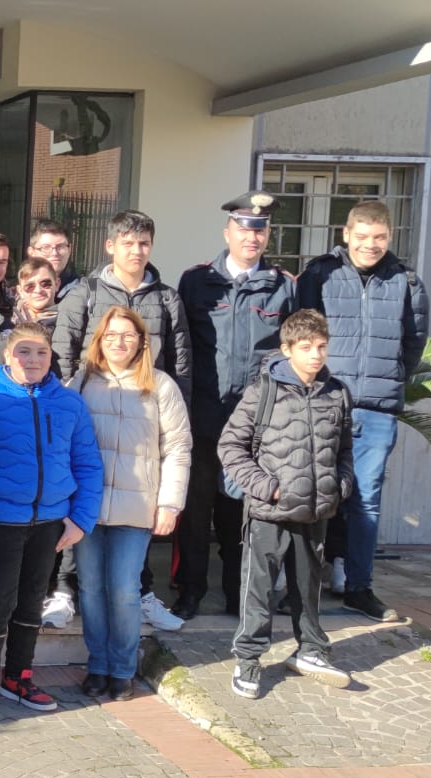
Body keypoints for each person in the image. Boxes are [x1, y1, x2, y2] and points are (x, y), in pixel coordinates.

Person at [51, 211, 190, 627]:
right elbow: (62, 354)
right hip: (91, 413)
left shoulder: (166, 297)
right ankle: (64, 590)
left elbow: (181, 364)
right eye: (128, 243)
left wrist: (178, 413)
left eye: (144, 243)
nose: (137, 250)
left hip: (142, 418)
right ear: (110, 246)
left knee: (135, 506)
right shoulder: (85, 293)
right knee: (83, 506)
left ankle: (142, 594)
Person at [0, 321, 100, 720]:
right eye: (24, 352)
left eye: (41, 352)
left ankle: (18, 676)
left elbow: (88, 463)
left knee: (31, 603)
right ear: (7, 356)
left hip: (51, 523)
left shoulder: (69, 403)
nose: (33, 359)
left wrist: (80, 519)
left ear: (51, 355)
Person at [300, 200, 427, 622]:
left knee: (366, 500)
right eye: (363, 237)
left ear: (389, 237)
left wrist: (387, 381)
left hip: (375, 409)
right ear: (346, 234)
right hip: (323, 400)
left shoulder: (406, 280)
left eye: (379, 238)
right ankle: (303, 588)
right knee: (313, 492)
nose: (370, 245)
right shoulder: (320, 273)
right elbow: (300, 332)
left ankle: (359, 587)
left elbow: (414, 342)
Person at [220, 309, 355, 699]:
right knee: (258, 590)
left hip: (316, 512)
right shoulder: (263, 392)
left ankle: (311, 649)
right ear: (286, 349)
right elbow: (230, 446)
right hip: (268, 513)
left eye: (322, 347)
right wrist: (265, 487)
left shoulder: (337, 393)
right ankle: (248, 659)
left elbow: (344, 448)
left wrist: (340, 484)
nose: (316, 354)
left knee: (307, 586)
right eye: (306, 347)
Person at [177, 192, 297, 620]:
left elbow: (290, 354)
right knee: (194, 511)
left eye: (261, 230)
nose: (253, 237)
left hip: (254, 427)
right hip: (203, 418)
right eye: (245, 228)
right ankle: (189, 591)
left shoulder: (285, 286)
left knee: (241, 513)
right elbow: (182, 348)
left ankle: (237, 593)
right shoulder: (196, 282)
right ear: (228, 231)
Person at [71, 307, 192, 702]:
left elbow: (177, 448)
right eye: (111, 335)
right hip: (87, 506)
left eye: (128, 335)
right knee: (89, 587)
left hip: (138, 506)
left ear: (142, 341)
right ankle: (98, 664)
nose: (119, 342)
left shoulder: (160, 385)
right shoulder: (82, 382)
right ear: (99, 341)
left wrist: (169, 504)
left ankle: (122, 669)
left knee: (123, 590)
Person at [0, 257, 60, 369]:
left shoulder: (68, 322)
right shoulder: (3, 321)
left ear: (57, 284)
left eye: (46, 284)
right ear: (20, 291)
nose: (38, 290)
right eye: (30, 286)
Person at [27, 219, 80, 296]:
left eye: (60, 246)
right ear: (31, 252)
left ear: (69, 249)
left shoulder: (84, 292)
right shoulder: (17, 294)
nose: (55, 253)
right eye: (46, 247)